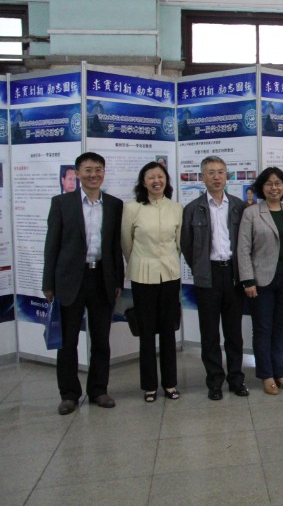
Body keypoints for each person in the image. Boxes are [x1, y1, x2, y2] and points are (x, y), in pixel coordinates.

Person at [43, 152, 124, 415]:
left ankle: (99, 390)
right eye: (88, 170)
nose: (93, 175)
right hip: (69, 281)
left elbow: (115, 247)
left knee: (101, 340)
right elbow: (51, 246)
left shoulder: (114, 204)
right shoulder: (61, 203)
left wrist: (118, 280)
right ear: (77, 174)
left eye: (98, 169)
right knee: (67, 342)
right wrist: (48, 283)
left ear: (104, 173)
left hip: (102, 278)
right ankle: (69, 394)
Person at [181, 156, 248, 400]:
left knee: (234, 333)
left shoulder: (239, 206)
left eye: (221, 172)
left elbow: (246, 243)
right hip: (207, 276)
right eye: (211, 172)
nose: (217, 177)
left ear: (227, 175)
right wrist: (200, 268)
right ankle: (215, 382)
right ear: (203, 177)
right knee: (209, 333)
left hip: (233, 274)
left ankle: (236, 379)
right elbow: (187, 246)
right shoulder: (193, 208)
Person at [122, 161, 183, 402]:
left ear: (166, 180)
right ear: (143, 182)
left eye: (160, 176)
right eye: (151, 177)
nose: (157, 181)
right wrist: (140, 262)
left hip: (169, 274)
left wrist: (167, 261)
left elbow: (178, 243)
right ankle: (149, 386)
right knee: (146, 332)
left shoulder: (176, 208)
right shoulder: (132, 208)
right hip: (142, 275)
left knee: (168, 330)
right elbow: (126, 243)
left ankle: (170, 384)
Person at [238, 167, 283, 395]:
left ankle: (280, 372)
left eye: (278, 183)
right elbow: (243, 249)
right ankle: (266, 375)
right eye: (269, 184)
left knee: (281, 328)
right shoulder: (252, 213)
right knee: (263, 329)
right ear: (261, 188)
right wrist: (248, 280)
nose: (274, 188)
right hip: (260, 281)